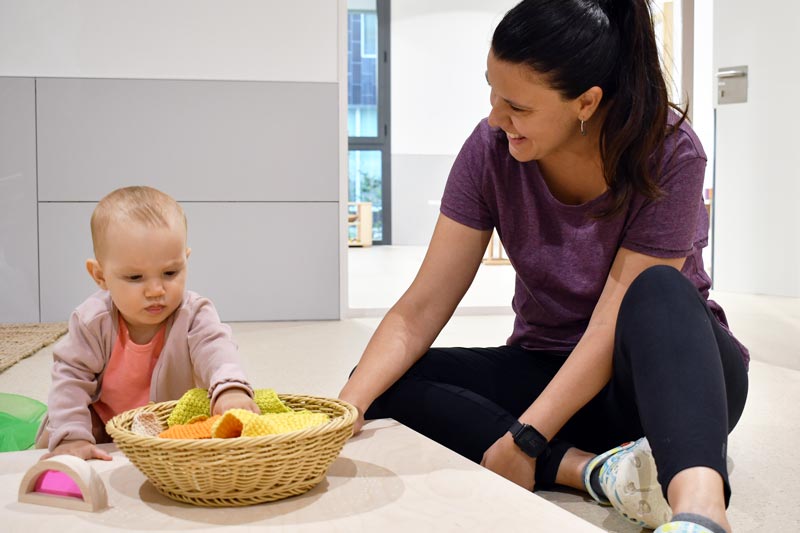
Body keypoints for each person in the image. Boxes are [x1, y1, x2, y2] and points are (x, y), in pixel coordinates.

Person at [339, 1, 748, 532]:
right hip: (549, 372)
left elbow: (608, 327)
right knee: (379, 381)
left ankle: (700, 512)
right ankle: (592, 471)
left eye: (517, 106)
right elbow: (419, 309)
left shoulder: (668, 149)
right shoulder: (490, 151)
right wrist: (341, 412)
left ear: (586, 102)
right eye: (491, 91)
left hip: (665, 382)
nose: (494, 117)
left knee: (659, 289)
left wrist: (526, 438)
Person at [36, 185, 259, 460]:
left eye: (170, 272)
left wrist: (230, 389)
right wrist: (71, 437)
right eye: (135, 278)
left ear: (185, 261)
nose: (156, 290)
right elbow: (70, 378)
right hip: (105, 427)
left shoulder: (194, 314)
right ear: (100, 275)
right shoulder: (92, 321)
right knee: (65, 435)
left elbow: (217, 349)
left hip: (173, 429)